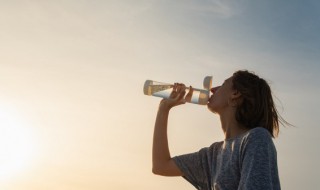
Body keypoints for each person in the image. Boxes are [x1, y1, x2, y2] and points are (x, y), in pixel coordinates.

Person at [152, 70, 288, 190]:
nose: (212, 89)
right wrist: (164, 108)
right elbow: (161, 166)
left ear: (235, 94)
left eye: (223, 84)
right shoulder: (213, 154)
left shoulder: (256, 138)